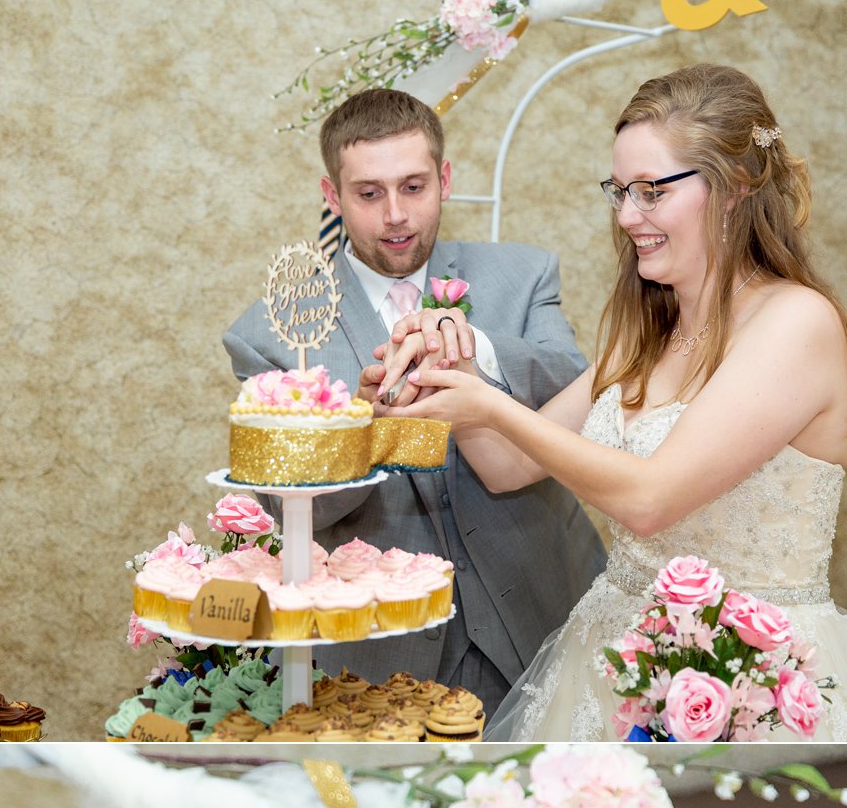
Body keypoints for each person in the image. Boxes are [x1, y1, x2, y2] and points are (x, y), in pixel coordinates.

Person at [380, 59, 847, 738]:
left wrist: (488, 406)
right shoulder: (652, 327)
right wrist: (453, 381)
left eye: (651, 191)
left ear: (735, 185)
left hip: (747, 675)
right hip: (610, 660)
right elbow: (507, 467)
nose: (627, 216)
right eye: (620, 191)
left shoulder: (796, 324)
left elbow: (650, 500)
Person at [223, 85, 601, 714]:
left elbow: (578, 386)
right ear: (331, 196)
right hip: (379, 654)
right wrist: (360, 425)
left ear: (445, 179)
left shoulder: (525, 274)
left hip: (543, 611)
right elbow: (296, 513)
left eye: (414, 187)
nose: (395, 213)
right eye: (369, 194)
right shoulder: (270, 333)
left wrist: (473, 344)